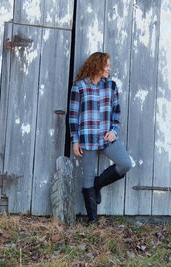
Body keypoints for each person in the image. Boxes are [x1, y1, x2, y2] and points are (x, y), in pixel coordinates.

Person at [69, 52, 132, 223]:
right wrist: (75, 140)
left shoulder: (111, 86)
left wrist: (114, 131)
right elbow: (74, 115)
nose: (109, 68)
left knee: (125, 164)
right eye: (107, 65)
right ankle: (92, 220)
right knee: (87, 176)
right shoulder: (80, 86)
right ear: (97, 65)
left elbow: (116, 112)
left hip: (106, 136)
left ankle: (98, 184)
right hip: (87, 137)